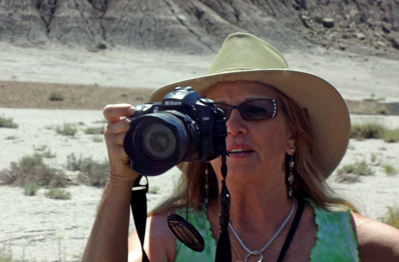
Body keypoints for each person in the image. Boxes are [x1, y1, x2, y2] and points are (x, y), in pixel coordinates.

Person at [82, 32, 399, 262]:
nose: (233, 126)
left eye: (257, 110)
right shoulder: (170, 236)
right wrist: (120, 181)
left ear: (293, 135)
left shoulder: (351, 240)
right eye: (217, 114)